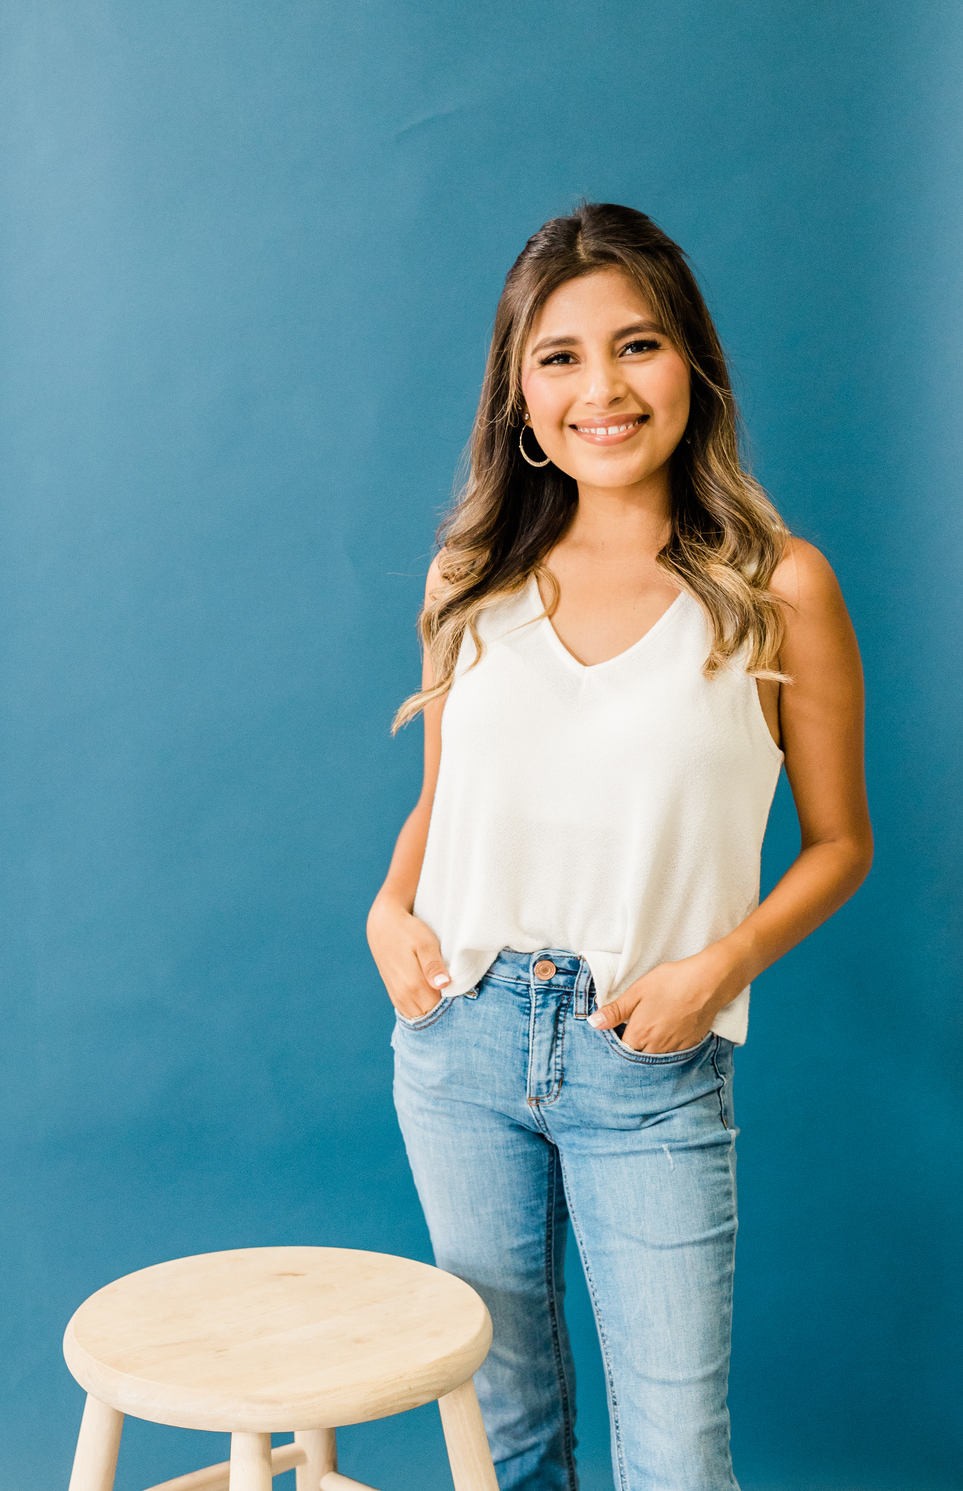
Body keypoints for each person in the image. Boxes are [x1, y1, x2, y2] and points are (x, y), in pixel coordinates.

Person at [366, 203, 872, 1491]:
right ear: (519, 394)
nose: (603, 388)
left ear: (692, 368)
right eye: (560, 357)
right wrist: (387, 907)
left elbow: (839, 843)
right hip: (459, 1042)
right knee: (508, 1435)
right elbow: (444, 800)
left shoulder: (775, 587)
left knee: (677, 1461)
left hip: (647, 1055)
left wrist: (715, 972)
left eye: (637, 346)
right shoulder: (465, 578)